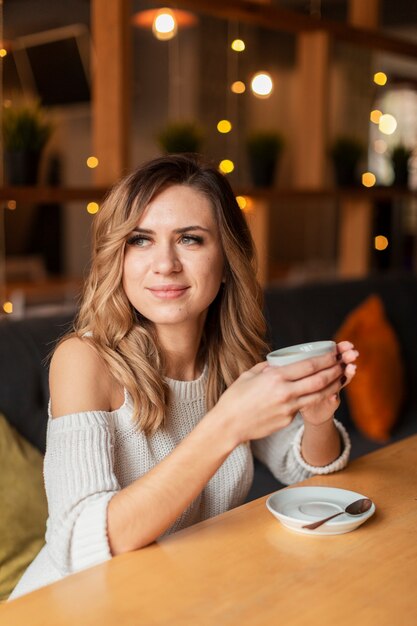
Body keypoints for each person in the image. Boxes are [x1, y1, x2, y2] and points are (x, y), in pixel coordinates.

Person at [10, 154, 358, 599]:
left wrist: (317, 415)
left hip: (176, 598)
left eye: (190, 239)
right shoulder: (84, 359)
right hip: (70, 608)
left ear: (228, 260)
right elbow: (78, 544)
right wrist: (226, 424)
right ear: (117, 256)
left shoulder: (233, 359)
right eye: (140, 240)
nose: (165, 264)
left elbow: (306, 471)